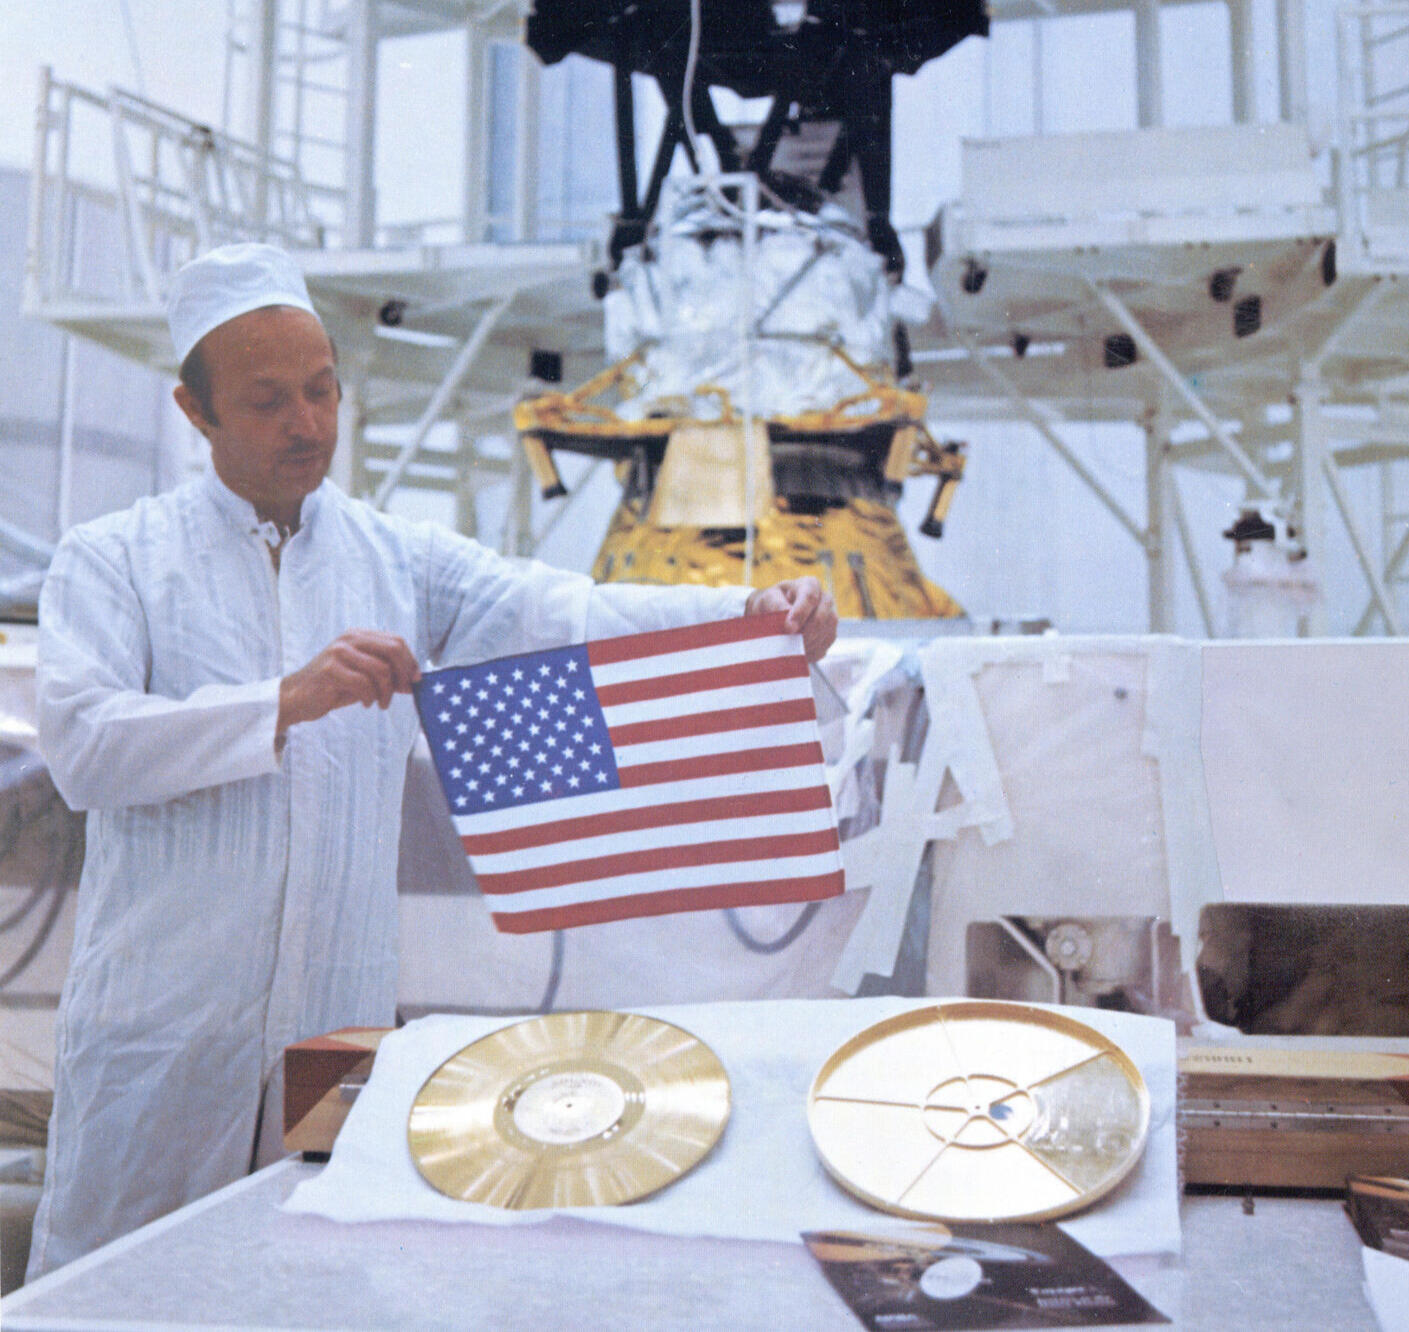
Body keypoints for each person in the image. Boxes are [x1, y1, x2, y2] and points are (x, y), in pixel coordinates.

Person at [27, 243, 837, 1277]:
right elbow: (87, 747)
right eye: (268, 401)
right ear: (196, 412)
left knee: (310, 1272)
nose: (307, 423)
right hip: (159, 1036)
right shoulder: (114, 559)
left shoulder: (393, 557)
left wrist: (741, 614)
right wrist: (283, 703)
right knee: (117, 1285)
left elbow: (556, 611)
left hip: (335, 1031)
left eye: (322, 390)